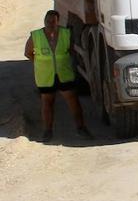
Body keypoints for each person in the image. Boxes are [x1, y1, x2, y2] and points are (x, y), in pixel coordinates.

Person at [24, 10, 91, 141]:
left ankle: (81, 128)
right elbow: (28, 53)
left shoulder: (66, 34)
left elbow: (71, 51)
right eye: (47, 21)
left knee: (73, 102)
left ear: (58, 22)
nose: (49, 23)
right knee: (47, 103)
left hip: (64, 75)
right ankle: (47, 131)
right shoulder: (36, 35)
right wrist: (39, 64)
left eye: (53, 21)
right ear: (44, 21)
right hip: (45, 77)